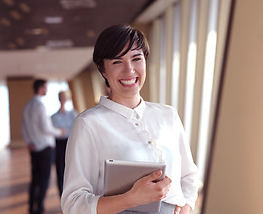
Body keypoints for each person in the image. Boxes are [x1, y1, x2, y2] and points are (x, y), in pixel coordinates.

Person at [61, 25, 199, 214]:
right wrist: (131, 199)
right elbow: (72, 204)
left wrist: (186, 207)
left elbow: (189, 175)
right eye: (117, 62)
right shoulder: (88, 124)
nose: (130, 70)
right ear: (103, 70)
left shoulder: (168, 115)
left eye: (136, 58)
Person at [22, 79, 64, 214]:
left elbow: (23, 128)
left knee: (35, 179)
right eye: (46, 88)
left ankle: (31, 208)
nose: (47, 90)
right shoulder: (40, 106)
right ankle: (39, 208)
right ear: (41, 88)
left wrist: (29, 142)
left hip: (34, 147)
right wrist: (60, 132)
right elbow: (46, 128)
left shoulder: (27, 105)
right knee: (44, 180)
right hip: (45, 147)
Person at [51, 91, 78, 196]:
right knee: (60, 171)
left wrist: (63, 130)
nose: (63, 99)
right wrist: (65, 130)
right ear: (59, 99)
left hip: (71, 143)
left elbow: (74, 128)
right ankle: (63, 198)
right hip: (59, 145)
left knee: (73, 170)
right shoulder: (54, 117)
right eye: (61, 97)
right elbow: (56, 132)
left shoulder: (73, 114)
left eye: (65, 97)